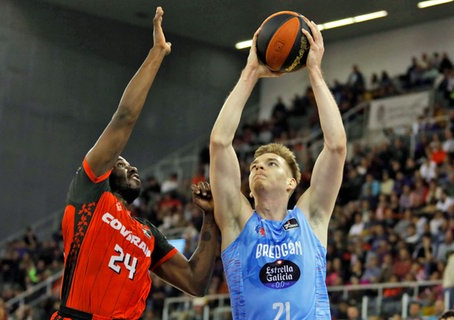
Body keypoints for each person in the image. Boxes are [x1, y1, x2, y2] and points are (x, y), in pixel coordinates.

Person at [50, 7, 219, 320]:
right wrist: (157, 54)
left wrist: (210, 217)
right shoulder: (90, 194)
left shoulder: (147, 234)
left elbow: (196, 282)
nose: (132, 168)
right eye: (122, 163)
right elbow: (124, 118)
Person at [209, 17, 347, 320]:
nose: (258, 167)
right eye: (255, 165)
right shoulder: (236, 219)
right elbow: (220, 143)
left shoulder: (311, 218)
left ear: (292, 182)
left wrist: (315, 73)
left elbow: (336, 147)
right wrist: (250, 74)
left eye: (271, 164)